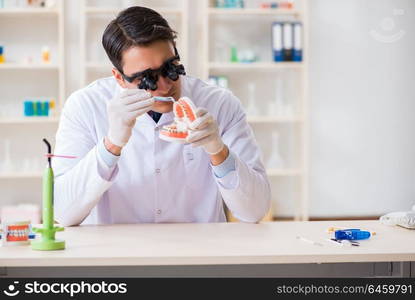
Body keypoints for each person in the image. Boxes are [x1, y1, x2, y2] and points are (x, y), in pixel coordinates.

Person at [53, 6, 270, 226]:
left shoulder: (220, 104)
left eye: (170, 68)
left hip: (199, 252)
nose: (165, 86)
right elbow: (63, 214)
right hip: (116, 253)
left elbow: (255, 211)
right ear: (119, 77)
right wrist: (110, 146)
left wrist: (218, 151)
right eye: (147, 78)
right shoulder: (85, 106)